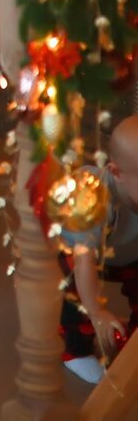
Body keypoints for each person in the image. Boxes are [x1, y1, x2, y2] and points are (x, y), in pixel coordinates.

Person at [61, 115, 138, 383]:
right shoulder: (95, 199)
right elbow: (84, 262)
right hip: (78, 250)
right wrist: (96, 311)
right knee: (71, 281)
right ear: (117, 173)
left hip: (125, 251)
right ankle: (75, 348)